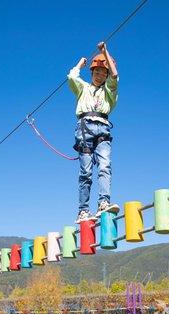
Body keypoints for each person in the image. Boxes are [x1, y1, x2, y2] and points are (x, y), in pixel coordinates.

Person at [68, 42, 120, 223]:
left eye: (102, 73)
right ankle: (83, 211)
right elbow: (72, 77)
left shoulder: (109, 92)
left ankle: (103, 203)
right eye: (96, 72)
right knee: (86, 172)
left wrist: (105, 52)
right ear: (91, 73)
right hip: (84, 128)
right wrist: (79, 65)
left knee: (105, 166)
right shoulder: (83, 88)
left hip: (103, 128)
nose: (100, 75)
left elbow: (115, 74)